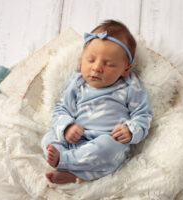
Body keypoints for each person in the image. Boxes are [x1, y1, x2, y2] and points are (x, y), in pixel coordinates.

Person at [41, 20, 152, 184]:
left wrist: (130, 131)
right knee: (47, 139)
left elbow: (143, 115)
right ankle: (74, 172)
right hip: (74, 139)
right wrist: (67, 127)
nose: (97, 68)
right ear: (81, 59)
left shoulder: (130, 86)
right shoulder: (77, 82)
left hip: (104, 142)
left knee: (108, 148)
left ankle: (66, 164)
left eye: (109, 64)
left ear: (125, 69)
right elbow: (62, 109)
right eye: (91, 60)